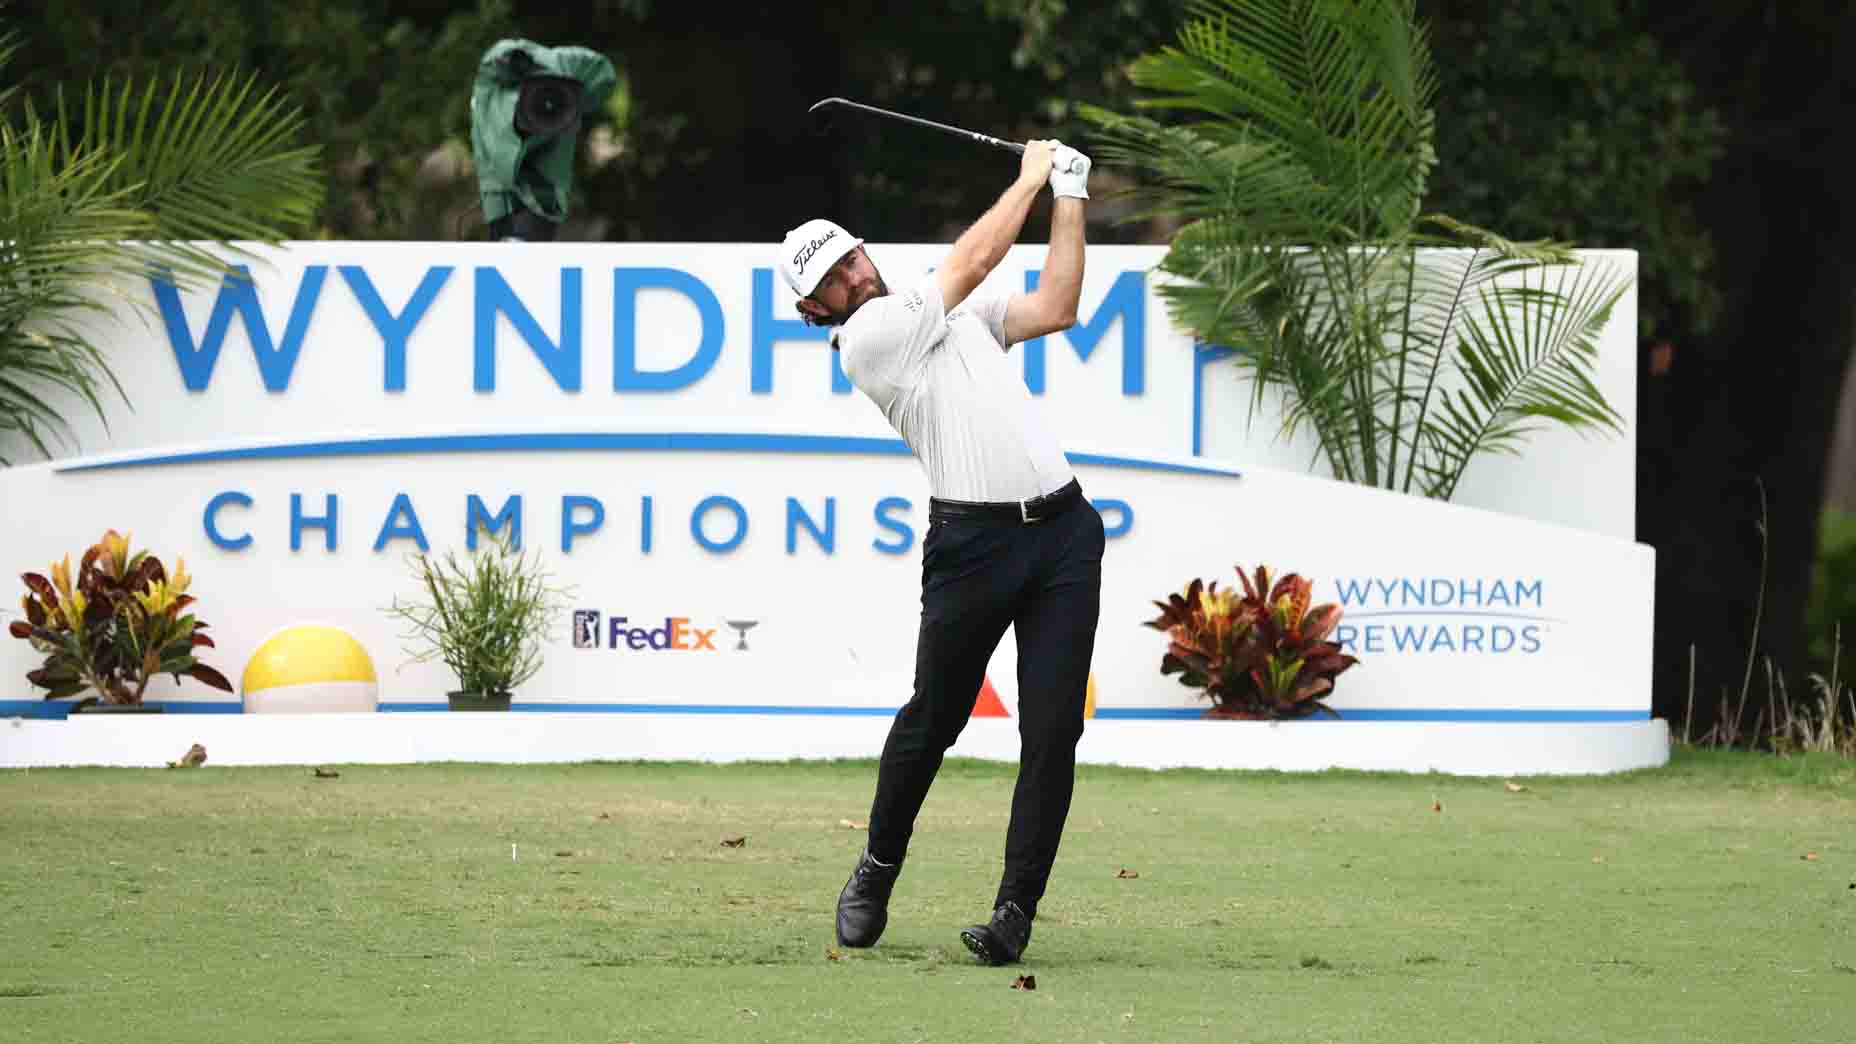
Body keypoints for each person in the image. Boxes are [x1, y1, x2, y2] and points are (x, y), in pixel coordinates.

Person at [776, 138, 1103, 966]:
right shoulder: (869, 341)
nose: (853, 278)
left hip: (1063, 534)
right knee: (935, 719)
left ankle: (1014, 912)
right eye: (832, 283)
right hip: (973, 547)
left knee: (1053, 730)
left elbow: (1057, 305)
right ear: (817, 310)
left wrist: (1071, 193)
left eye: (850, 260)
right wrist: (1030, 174)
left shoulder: (947, 314)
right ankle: (877, 866)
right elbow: (974, 255)